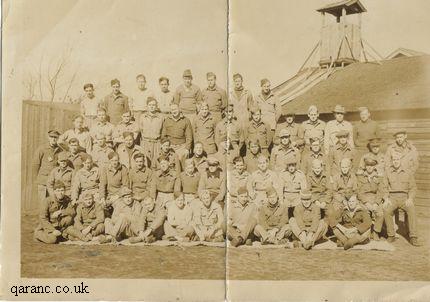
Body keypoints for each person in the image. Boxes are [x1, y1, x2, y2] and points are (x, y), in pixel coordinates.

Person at [383, 153, 419, 246]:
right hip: (392, 198)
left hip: (404, 198)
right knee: (386, 210)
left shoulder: (408, 172)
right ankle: (391, 235)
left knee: (412, 210)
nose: (395, 161)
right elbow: (384, 187)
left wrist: (410, 198)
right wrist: (386, 199)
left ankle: (413, 237)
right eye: (394, 160)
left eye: (397, 159)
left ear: (401, 160)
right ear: (392, 161)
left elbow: (413, 188)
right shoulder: (388, 172)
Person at [356, 158, 385, 240]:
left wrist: (376, 203)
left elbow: (380, 191)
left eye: (371, 166)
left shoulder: (378, 177)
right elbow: (359, 192)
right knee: (365, 213)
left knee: (380, 213)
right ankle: (367, 231)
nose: (369, 167)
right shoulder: (360, 177)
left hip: (375, 198)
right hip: (364, 199)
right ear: (365, 166)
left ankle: (375, 231)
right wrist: (366, 203)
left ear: (374, 167)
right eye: (368, 165)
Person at [33, 130, 63, 205]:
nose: (53, 139)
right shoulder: (42, 149)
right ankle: (42, 217)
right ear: (48, 137)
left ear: (58, 138)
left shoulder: (60, 150)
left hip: (54, 181)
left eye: (55, 137)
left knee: (53, 202)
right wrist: (38, 178)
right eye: (51, 137)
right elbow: (36, 164)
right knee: (43, 202)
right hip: (43, 180)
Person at [327, 158, 357, 225]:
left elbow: (355, 191)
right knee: (336, 211)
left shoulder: (353, 176)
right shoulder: (336, 177)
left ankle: (351, 226)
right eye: (342, 167)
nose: (344, 169)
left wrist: (350, 200)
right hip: (339, 199)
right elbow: (334, 192)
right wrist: (342, 200)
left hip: (350, 198)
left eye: (346, 167)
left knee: (355, 210)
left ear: (349, 167)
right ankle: (337, 227)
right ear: (340, 167)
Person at [139, 97, 164, 162]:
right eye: (150, 105)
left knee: (156, 162)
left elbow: (163, 131)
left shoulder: (161, 117)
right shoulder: (142, 117)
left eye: (153, 105)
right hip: (145, 143)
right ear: (147, 106)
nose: (152, 107)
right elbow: (140, 131)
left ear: (156, 106)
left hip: (157, 143)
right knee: (146, 162)